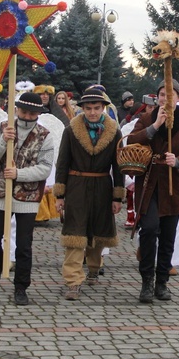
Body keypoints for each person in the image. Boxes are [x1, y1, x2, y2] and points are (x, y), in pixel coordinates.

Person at [128, 79, 179, 303]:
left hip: (173, 186)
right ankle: (146, 281)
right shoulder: (146, 118)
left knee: (168, 236)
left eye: (171, 95)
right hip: (149, 184)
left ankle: (161, 282)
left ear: (178, 98)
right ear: (157, 97)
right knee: (149, 229)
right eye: (162, 94)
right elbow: (131, 141)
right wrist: (154, 127)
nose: (166, 98)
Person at [0, 92, 54, 306]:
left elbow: (45, 168)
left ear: (38, 114)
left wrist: (19, 174)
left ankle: (21, 286)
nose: (27, 116)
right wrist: (4, 142)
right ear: (17, 109)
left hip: (28, 196)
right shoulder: (4, 127)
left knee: (24, 246)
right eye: (23, 111)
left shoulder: (45, 135)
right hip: (1, 193)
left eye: (32, 113)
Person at [53, 88, 124, 301]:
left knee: (99, 231)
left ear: (103, 108)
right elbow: (62, 163)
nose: (92, 112)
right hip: (77, 185)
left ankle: (94, 267)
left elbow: (118, 166)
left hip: (102, 184)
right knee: (75, 233)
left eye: (96, 108)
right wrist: (59, 194)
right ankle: (73, 281)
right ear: (81, 109)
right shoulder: (71, 130)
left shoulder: (114, 131)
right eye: (88, 108)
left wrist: (117, 196)